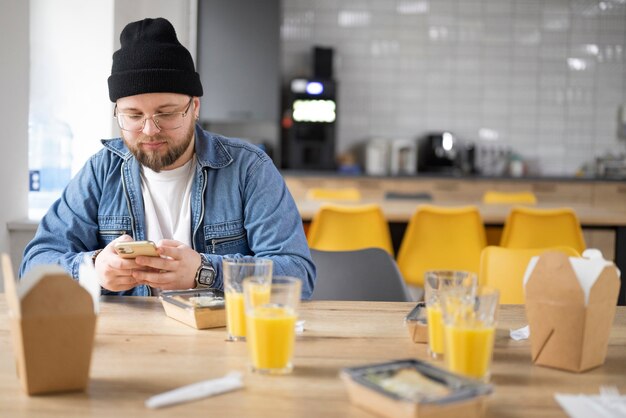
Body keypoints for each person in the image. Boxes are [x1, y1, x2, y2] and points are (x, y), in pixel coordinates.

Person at [19, 17, 316, 298]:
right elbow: (33, 267)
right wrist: (93, 269)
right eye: (133, 116)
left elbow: (298, 277)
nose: (150, 130)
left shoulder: (249, 169)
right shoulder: (100, 172)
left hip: (222, 343)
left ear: (195, 106)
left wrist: (204, 272)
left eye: (167, 113)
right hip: (128, 344)